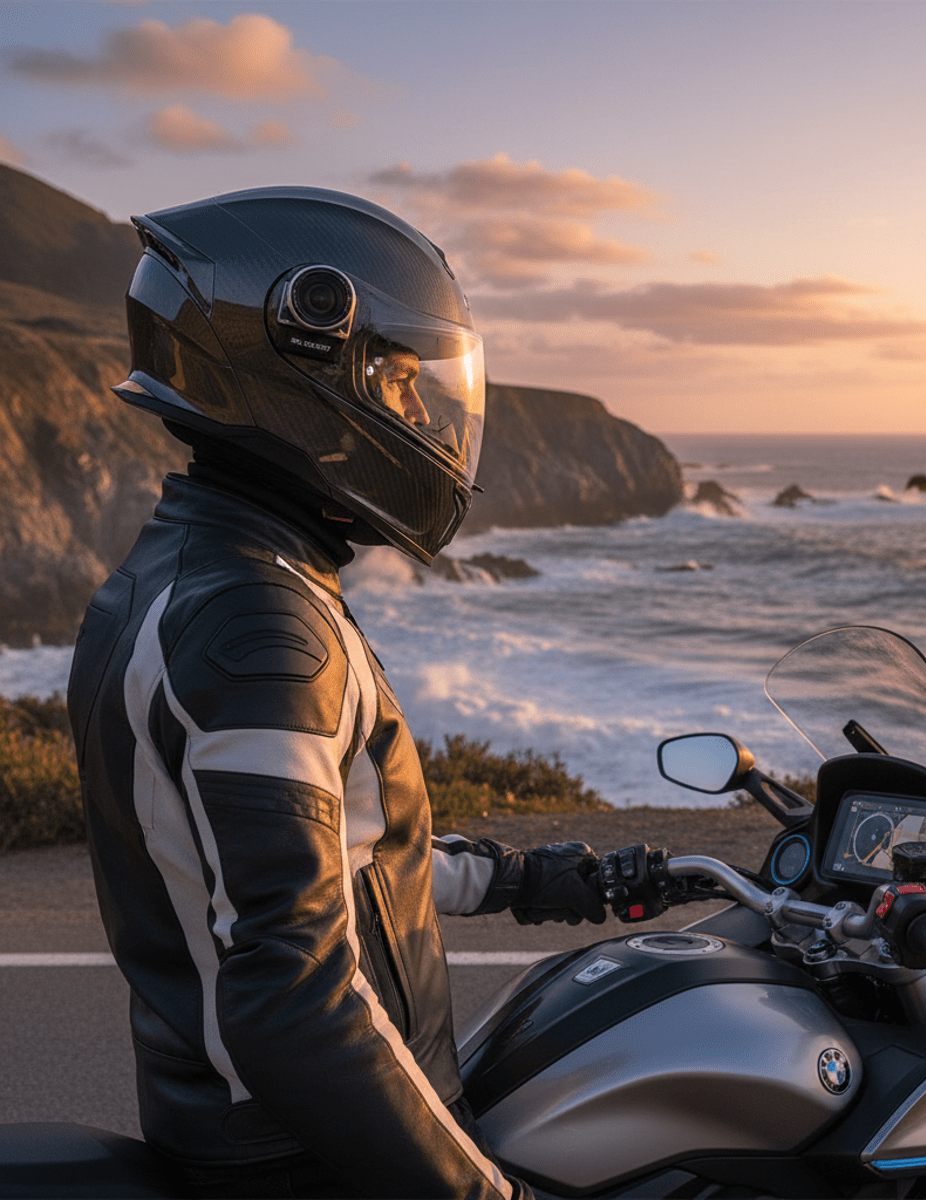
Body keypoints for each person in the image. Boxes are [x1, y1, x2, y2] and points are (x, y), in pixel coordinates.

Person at [66, 187, 608, 1199]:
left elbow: (332, 859)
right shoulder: (259, 629)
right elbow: (296, 999)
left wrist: (530, 883)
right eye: (399, 380)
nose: (417, 414)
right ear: (306, 350)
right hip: (308, 1158)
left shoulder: (204, 570)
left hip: (261, 1133)